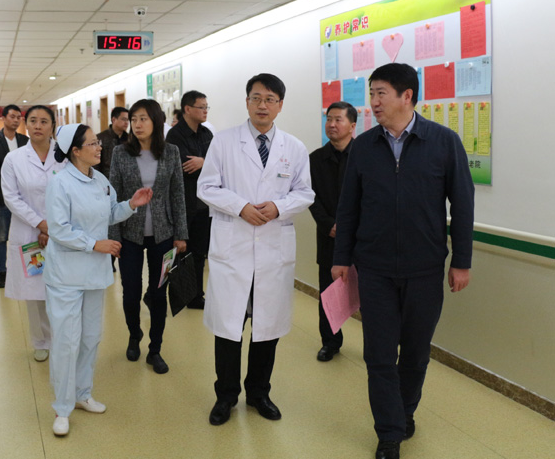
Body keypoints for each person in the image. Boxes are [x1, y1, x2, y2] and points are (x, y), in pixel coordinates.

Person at [332, 63, 474, 459]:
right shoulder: (364, 146)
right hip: (374, 269)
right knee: (378, 355)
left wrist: (461, 261)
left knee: (415, 353)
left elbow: (463, 205)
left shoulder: (443, 142)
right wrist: (341, 258)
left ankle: (405, 411)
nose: (373, 102)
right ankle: (389, 433)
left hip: (425, 269)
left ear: (406, 95)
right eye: (371, 94)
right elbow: (349, 207)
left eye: (381, 93)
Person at [197, 73, 314, 426]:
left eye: (270, 99)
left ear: (280, 105)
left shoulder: (294, 147)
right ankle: (225, 396)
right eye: (257, 98)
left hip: (273, 249)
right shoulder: (223, 142)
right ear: (247, 101)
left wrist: (278, 207)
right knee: (229, 327)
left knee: (267, 327)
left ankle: (259, 392)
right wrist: (240, 206)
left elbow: (305, 193)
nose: (263, 105)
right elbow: (206, 187)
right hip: (233, 246)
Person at [44, 123, 153, 437]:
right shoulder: (60, 183)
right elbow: (59, 229)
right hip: (66, 275)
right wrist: (95, 244)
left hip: (93, 273)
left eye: (97, 142)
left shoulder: (101, 180)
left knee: (91, 337)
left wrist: (131, 205)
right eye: (92, 143)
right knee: (66, 341)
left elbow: (110, 213)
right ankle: (62, 408)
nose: (99, 147)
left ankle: (82, 394)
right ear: (75, 151)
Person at [109, 99, 188, 374]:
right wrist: (113, 236)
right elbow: (113, 195)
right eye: (133, 119)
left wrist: (181, 234)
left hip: (163, 234)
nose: (137, 124)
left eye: (143, 118)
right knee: (130, 292)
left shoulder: (171, 152)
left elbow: (177, 193)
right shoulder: (120, 153)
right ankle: (134, 335)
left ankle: (155, 349)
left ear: (156, 121)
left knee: (158, 293)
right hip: (129, 234)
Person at [1, 105, 63, 362]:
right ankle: (41, 341)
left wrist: (52, 226)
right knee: (35, 291)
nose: (38, 126)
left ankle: (61, 338)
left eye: (44, 121)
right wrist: (40, 223)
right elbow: (11, 198)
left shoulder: (65, 156)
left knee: (61, 288)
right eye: (33, 121)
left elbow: (71, 192)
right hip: (29, 234)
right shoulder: (14, 159)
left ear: (52, 126)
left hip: (61, 232)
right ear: (26, 125)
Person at [308, 101, 357, 362]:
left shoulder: (366, 156)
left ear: (352, 125)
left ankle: (376, 345)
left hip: (362, 237)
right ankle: (330, 342)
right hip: (330, 236)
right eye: (329, 119)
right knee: (329, 292)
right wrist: (328, 224)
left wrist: (353, 226)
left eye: (338, 119)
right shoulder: (315, 159)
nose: (332, 124)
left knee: (372, 293)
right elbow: (309, 197)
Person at [166, 90, 214, 309]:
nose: (205, 111)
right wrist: (205, 163)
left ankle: (196, 296)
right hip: (182, 203)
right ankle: (176, 295)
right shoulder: (175, 136)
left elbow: (216, 164)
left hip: (203, 204)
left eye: (206, 107)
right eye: (201, 107)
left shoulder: (206, 134)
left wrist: (203, 162)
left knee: (199, 252)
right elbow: (186, 167)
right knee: (179, 251)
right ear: (187, 109)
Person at [0, 104, 28, 288]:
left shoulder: (25, 140)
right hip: (1, 197)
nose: (16, 120)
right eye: (12, 116)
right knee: (2, 236)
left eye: (19, 117)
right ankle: (2, 271)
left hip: (24, 197)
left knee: (27, 235)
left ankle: (29, 269)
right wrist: (17, 178)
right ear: (3, 118)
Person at [95, 106, 129, 179]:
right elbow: (95, 164)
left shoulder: (130, 139)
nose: (126, 123)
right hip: (106, 179)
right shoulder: (100, 138)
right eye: (124, 119)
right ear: (113, 120)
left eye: (128, 120)